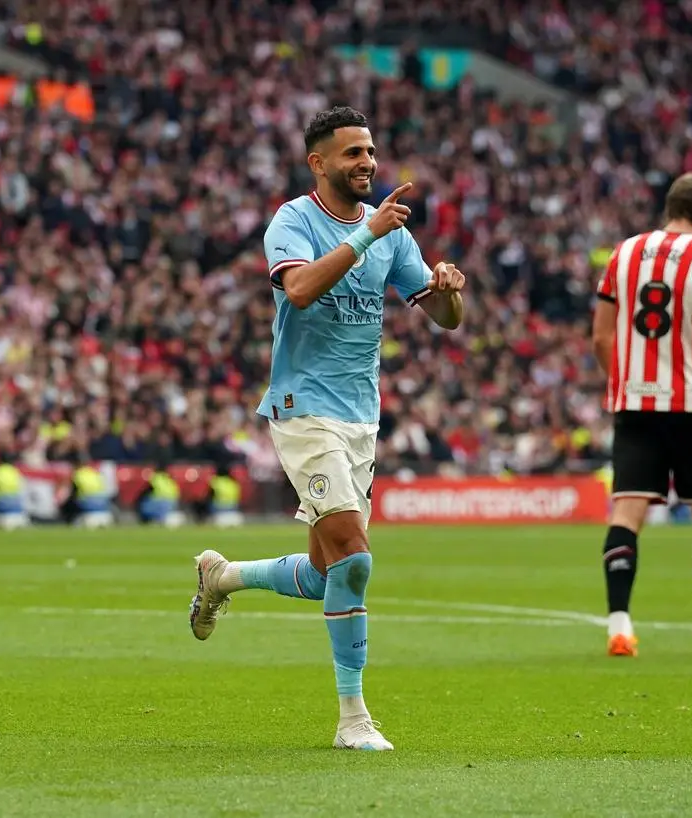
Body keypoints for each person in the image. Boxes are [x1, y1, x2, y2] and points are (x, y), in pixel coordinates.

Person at [186, 107, 467, 751]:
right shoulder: (294, 221)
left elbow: (445, 317)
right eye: (352, 154)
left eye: (370, 150)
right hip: (301, 407)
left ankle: (222, 577)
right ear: (319, 163)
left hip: (360, 415)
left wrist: (450, 289)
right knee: (357, 557)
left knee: (324, 572)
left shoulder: (392, 233)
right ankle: (353, 719)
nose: (367, 162)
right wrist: (367, 235)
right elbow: (302, 291)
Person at [591, 172, 692, 658]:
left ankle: (619, 627)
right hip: (691, 404)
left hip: (635, 401)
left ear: (670, 207)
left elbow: (601, 337)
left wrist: (621, 381)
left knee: (627, 510)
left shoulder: (622, 254)